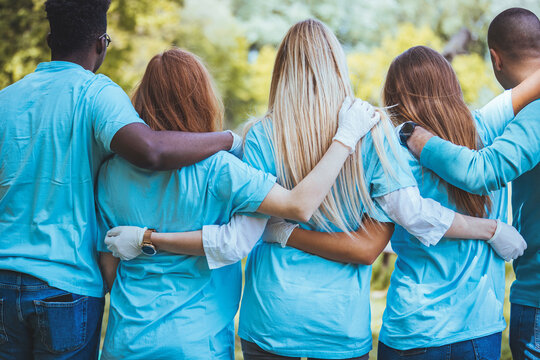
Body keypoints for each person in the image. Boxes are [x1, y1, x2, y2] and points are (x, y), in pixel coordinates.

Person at [104, 19, 526, 360]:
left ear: (281, 71)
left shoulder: (260, 138)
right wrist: (488, 228)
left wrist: (279, 231)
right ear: (337, 66)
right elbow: (412, 213)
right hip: (339, 324)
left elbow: (240, 238)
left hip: (270, 319)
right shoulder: (373, 133)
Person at [0, 0, 248, 358]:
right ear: (101, 43)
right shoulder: (97, 93)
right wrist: (227, 139)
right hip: (65, 285)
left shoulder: (7, 100)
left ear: (50, 38)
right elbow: (151, 150)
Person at [97, 47, 379, 359]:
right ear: (203, 98)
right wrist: (346, 136)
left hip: (127, 341)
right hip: (198, 344)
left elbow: (107, 268)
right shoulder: (222, 170)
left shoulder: (110, 173)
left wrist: (144, 241)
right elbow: (296, 207)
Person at [377, 45, 539, 360]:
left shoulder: (390, 150)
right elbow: (526, 89)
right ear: (452, 87)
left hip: (413, 325)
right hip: (477, 329)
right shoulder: (484, 130)